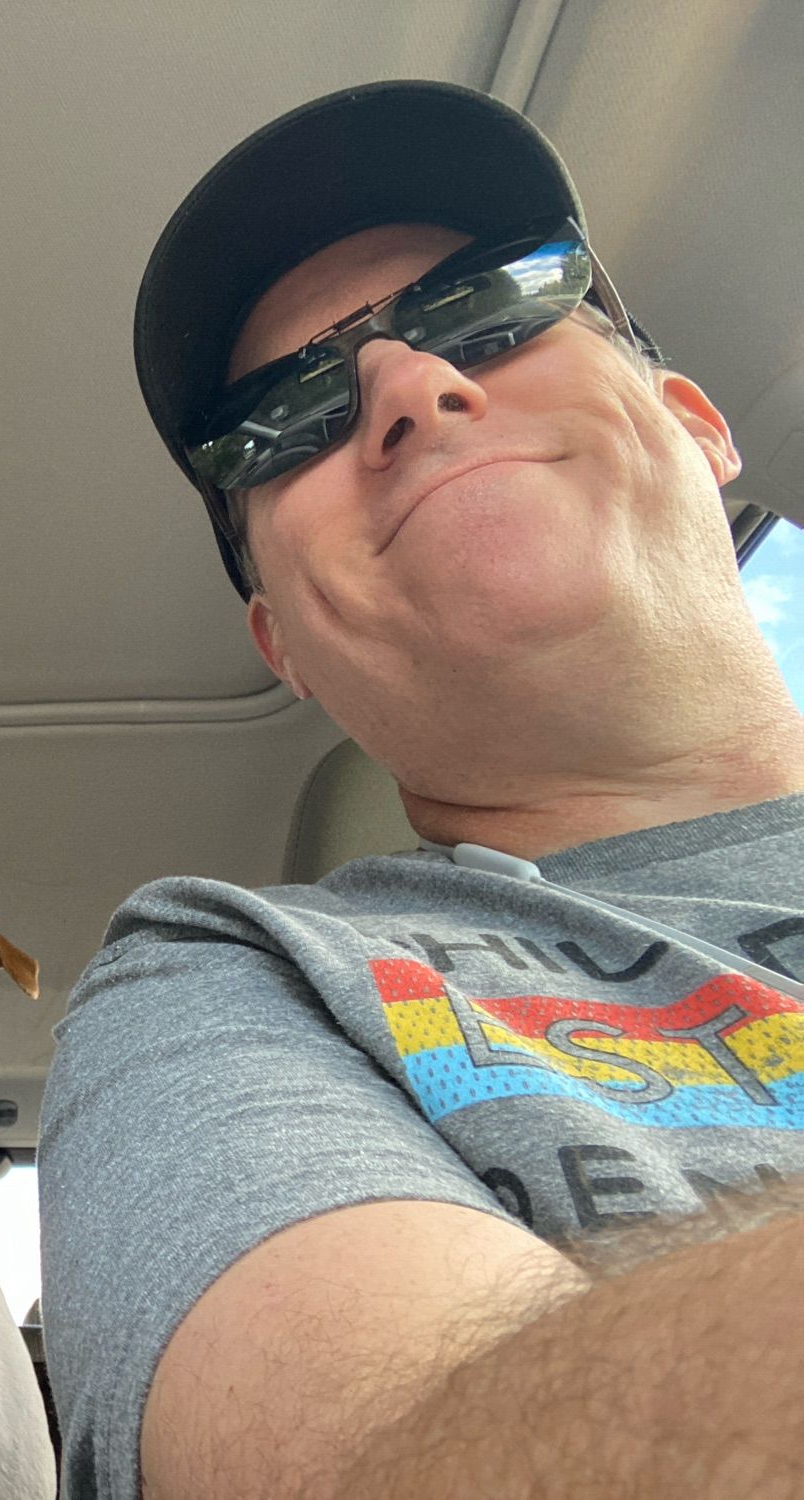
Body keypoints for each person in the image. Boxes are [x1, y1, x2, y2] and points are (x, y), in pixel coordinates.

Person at [40, 80, 804, 1500]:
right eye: (283, 417)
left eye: (492, 310)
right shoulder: (231, 989)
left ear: (699, 425)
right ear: (285, 642)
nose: (406, 390)